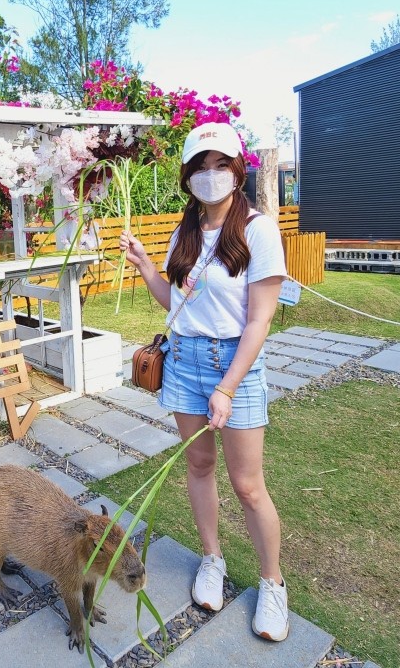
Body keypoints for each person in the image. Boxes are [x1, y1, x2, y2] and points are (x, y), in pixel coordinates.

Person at [119, 122, 290, 641]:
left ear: (238, 169)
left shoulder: (258, 230)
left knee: (247, 484)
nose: (210, 176)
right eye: (200, 166)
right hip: (186, 358)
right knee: (198, 463)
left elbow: (259, 320)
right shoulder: (185, 231)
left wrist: (229, 386)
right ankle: (211, 559)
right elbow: (180, 305)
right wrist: (149, 266)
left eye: (220, 165)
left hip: (232, 363)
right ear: (188, 176)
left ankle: (273, 583)